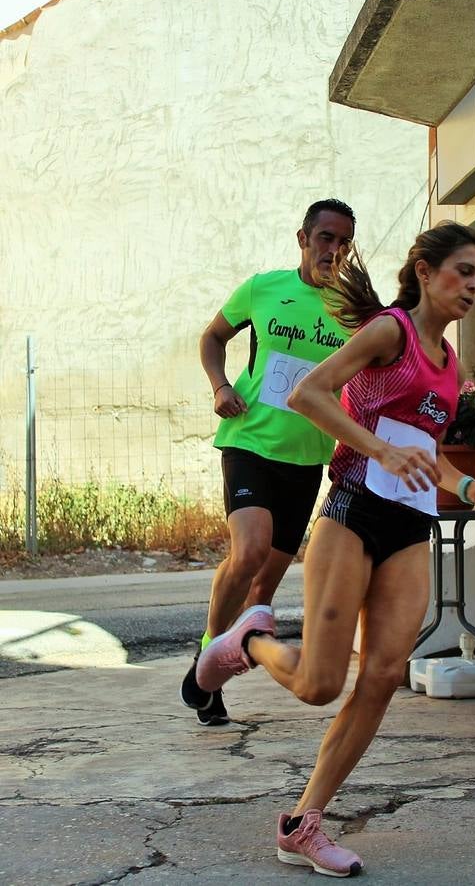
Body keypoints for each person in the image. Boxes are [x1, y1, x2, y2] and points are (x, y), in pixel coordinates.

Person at [197, 221, 475, 875]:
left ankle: (303, 822)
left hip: (409, 525)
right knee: (319, 684)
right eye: (463, 271)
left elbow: (422, 454)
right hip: (351, 512)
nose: (474, 286)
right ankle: (247, 641)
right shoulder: (389, 332)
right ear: (425, 272)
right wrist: (376, 448)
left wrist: (468, 486)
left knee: (383, 675)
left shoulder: (450, 364)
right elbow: (307, 393)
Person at [179, 198, 356, 725]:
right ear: (303, 239)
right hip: (250, 441)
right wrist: (219, 386)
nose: (334, 250)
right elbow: (212, 336)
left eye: (344, 242)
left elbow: (362, 384)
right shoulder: (264, 288)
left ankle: (209, 676)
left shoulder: (354, 311)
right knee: (249, 552)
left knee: (264, 589)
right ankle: (209, 649)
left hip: (306, 460)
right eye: (325, 238)